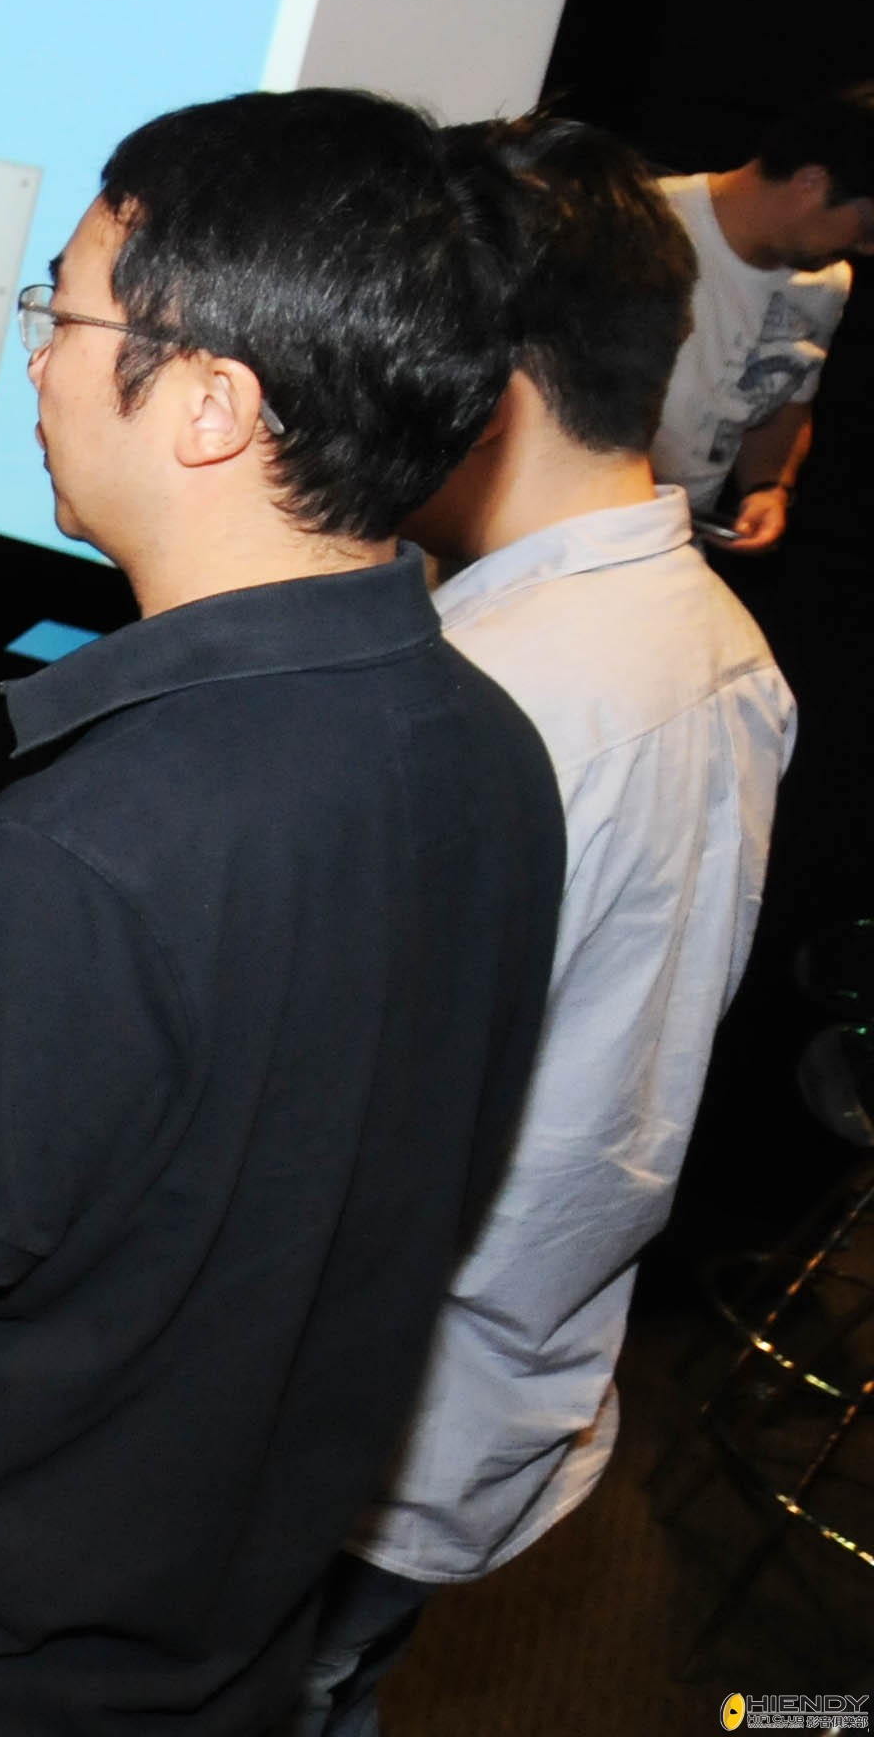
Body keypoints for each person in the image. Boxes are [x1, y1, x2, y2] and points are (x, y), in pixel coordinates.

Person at [0, 88, 560, 1737]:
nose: (35, 362)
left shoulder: (101, 849)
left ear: (209, 404)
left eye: (60, 314)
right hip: (213, 1649)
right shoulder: (494, 751)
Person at [290, 117, 793, 1733]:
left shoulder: (490, 698)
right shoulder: (715, 643)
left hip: (353, 1411)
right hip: (494, 1376)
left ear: (479, 375)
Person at [653, 85, 872, 555]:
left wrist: (768, 489)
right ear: (811, 181)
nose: (868, 248)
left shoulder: (827, 282)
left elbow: (785, 398)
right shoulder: (644, 228)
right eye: (868, 227)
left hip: (673, 549)